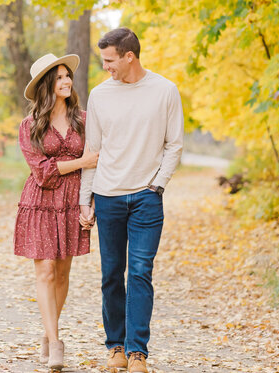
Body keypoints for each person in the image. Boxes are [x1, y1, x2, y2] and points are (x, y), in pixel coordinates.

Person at [79, 28, 184, 373]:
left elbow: (174, 144)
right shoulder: (99, 95)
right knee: (112, 274)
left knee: (140, 272)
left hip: (146, 198)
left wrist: (158, 185)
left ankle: (138, 352)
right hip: (107, 196)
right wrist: (86, 199)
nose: (105, 66)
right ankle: (116, 347)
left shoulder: (164, 91)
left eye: (110, 60)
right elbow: (91, 150)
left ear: (129, 57)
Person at [14, 53, 99, 371]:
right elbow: (42, 172)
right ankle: (56, 342)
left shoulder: (85, 120)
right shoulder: (30, 126)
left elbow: (97, 164)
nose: (66, 81)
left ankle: (47, 335)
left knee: (63, 273)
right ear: (47, 85)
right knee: (45, 271)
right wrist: (81, 162)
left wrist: (90, 204)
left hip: (73, 202)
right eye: (59, 77)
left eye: (68, 76)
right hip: (41, 202)